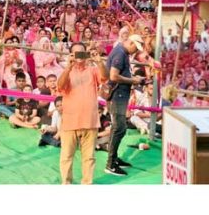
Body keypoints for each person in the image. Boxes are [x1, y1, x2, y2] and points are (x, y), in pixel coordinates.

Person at [57, 43, 108, 184]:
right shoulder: (66, 71)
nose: (79, 56)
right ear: (71, 55)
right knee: (66, 156)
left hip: (90, 121)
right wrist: (68, 67)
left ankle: (87, 184)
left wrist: (99, 62)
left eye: (81, 53)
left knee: (89, 157)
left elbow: (105, 77)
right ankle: (66, 184)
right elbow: (60, 86)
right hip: (70, 122)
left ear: (86, 54)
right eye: (76, 53)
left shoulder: (93, 70)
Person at [105, 34, 145, 176]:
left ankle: (114, 159)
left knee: (119, 127)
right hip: (117, 95)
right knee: (119, 128)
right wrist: (132, 80)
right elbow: (113, 76)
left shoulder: (122, 52)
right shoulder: (120, 53)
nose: (135, 51)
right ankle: (110, 163)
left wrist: (133, 79)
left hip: (120, 94)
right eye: (135, 47)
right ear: (131, 42)